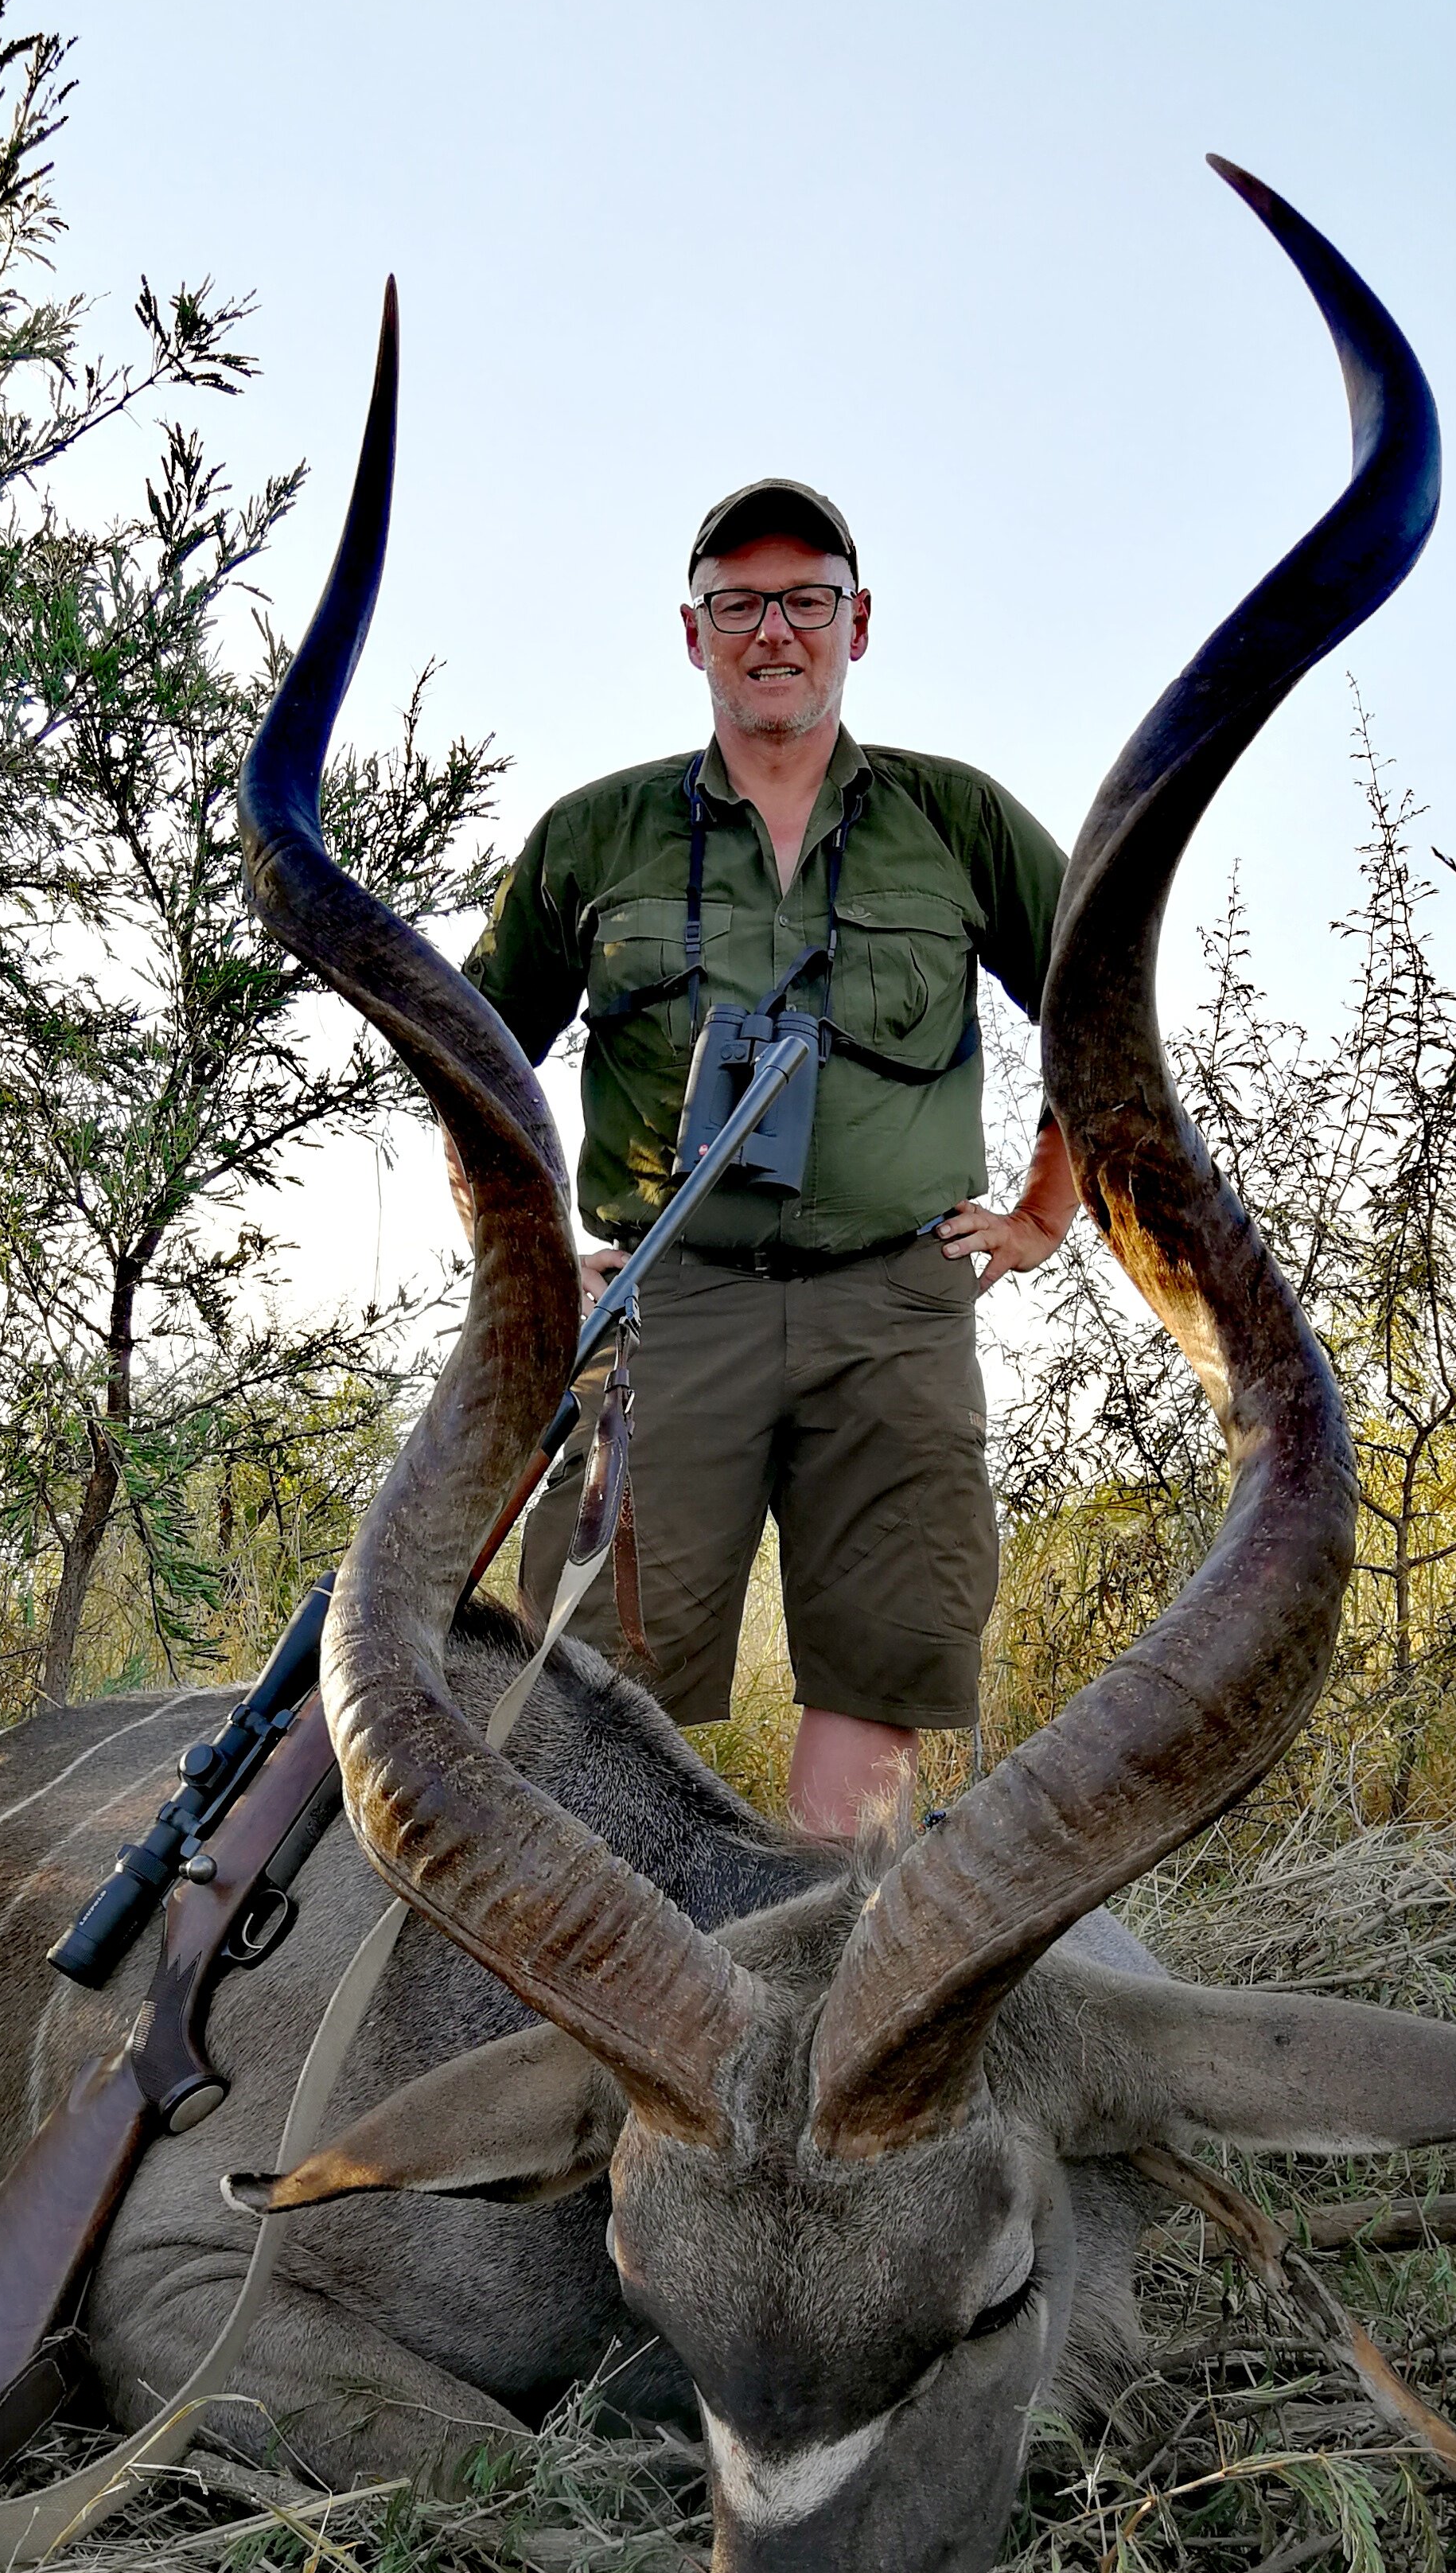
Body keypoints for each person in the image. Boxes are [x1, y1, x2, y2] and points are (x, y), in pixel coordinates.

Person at [457, 478, 1080, 1835]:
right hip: (670, 1305)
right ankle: (614, 1999)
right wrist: (524, 1259)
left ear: (859, 624)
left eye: (807, 601)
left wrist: (1046, 1209)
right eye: (740, 605)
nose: (775, 632)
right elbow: (469, 1060)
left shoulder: (958, 822)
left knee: (880, 1661)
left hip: (898, 1306)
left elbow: (1107, 1012)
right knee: (589, 1684)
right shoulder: (594, 836)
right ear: (694, 636)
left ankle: (812, 1972)